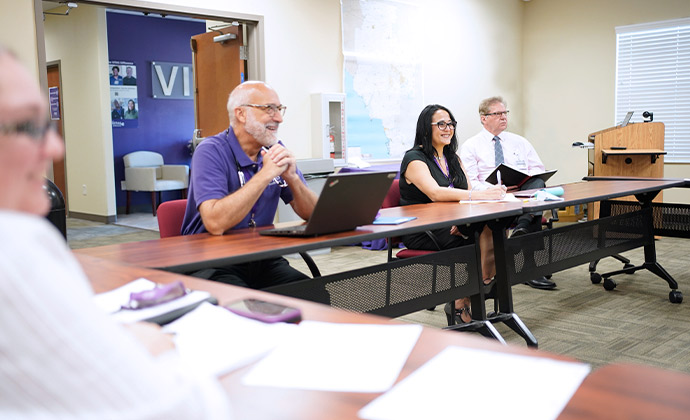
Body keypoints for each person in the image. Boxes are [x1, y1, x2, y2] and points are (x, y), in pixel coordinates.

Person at [0, 46, 231, 418]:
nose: (56, 148)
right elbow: (185, 411)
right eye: (27, 126)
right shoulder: (14, 249)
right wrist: (157, 347)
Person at [181, 81, 318, 289]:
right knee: (246, 308)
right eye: (269, 109)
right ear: (241, 114)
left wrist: (293, 178)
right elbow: (215, 224)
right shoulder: (210, 152)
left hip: (260, 257)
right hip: (211, 261)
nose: (279, 118)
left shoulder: (275, 149)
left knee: (315, 296)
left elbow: (313, 214)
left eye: (279, 109)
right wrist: (265, 175)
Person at [399, 104, 506, 324]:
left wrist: (487, 195)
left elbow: (466, 191)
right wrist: (479, 198)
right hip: (423, 228)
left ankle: (477, 291)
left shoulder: (452, 158)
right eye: (441, 124)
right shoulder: (414, 159)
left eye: (451, 124)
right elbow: (436, 193)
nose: (448, 128)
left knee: (494, 229)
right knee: (477, 239)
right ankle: (466, 298)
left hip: (452, 221)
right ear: (425, 128)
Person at [460, 96, 556, 290]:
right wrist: (494, 190)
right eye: (497, 114)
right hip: (491, 199)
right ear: (483, 118)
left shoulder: (519, 142)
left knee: (536, 187)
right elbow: (470, 182)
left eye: (505, 113)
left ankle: (523, 227)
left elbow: (537, 168)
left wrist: (522, 180)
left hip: (520, 194)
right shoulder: (471, 146)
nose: (503, 117)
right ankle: (530, 266)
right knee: (532, 209)